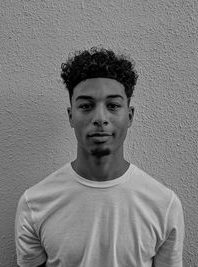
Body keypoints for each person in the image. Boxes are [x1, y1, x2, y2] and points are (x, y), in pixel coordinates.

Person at [15, 47, 185, 267]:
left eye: (113, 106)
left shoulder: (164, 204)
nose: (100, 118)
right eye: (86, 106)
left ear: (130, 115)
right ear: (70, 116)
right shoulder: (35, 203)